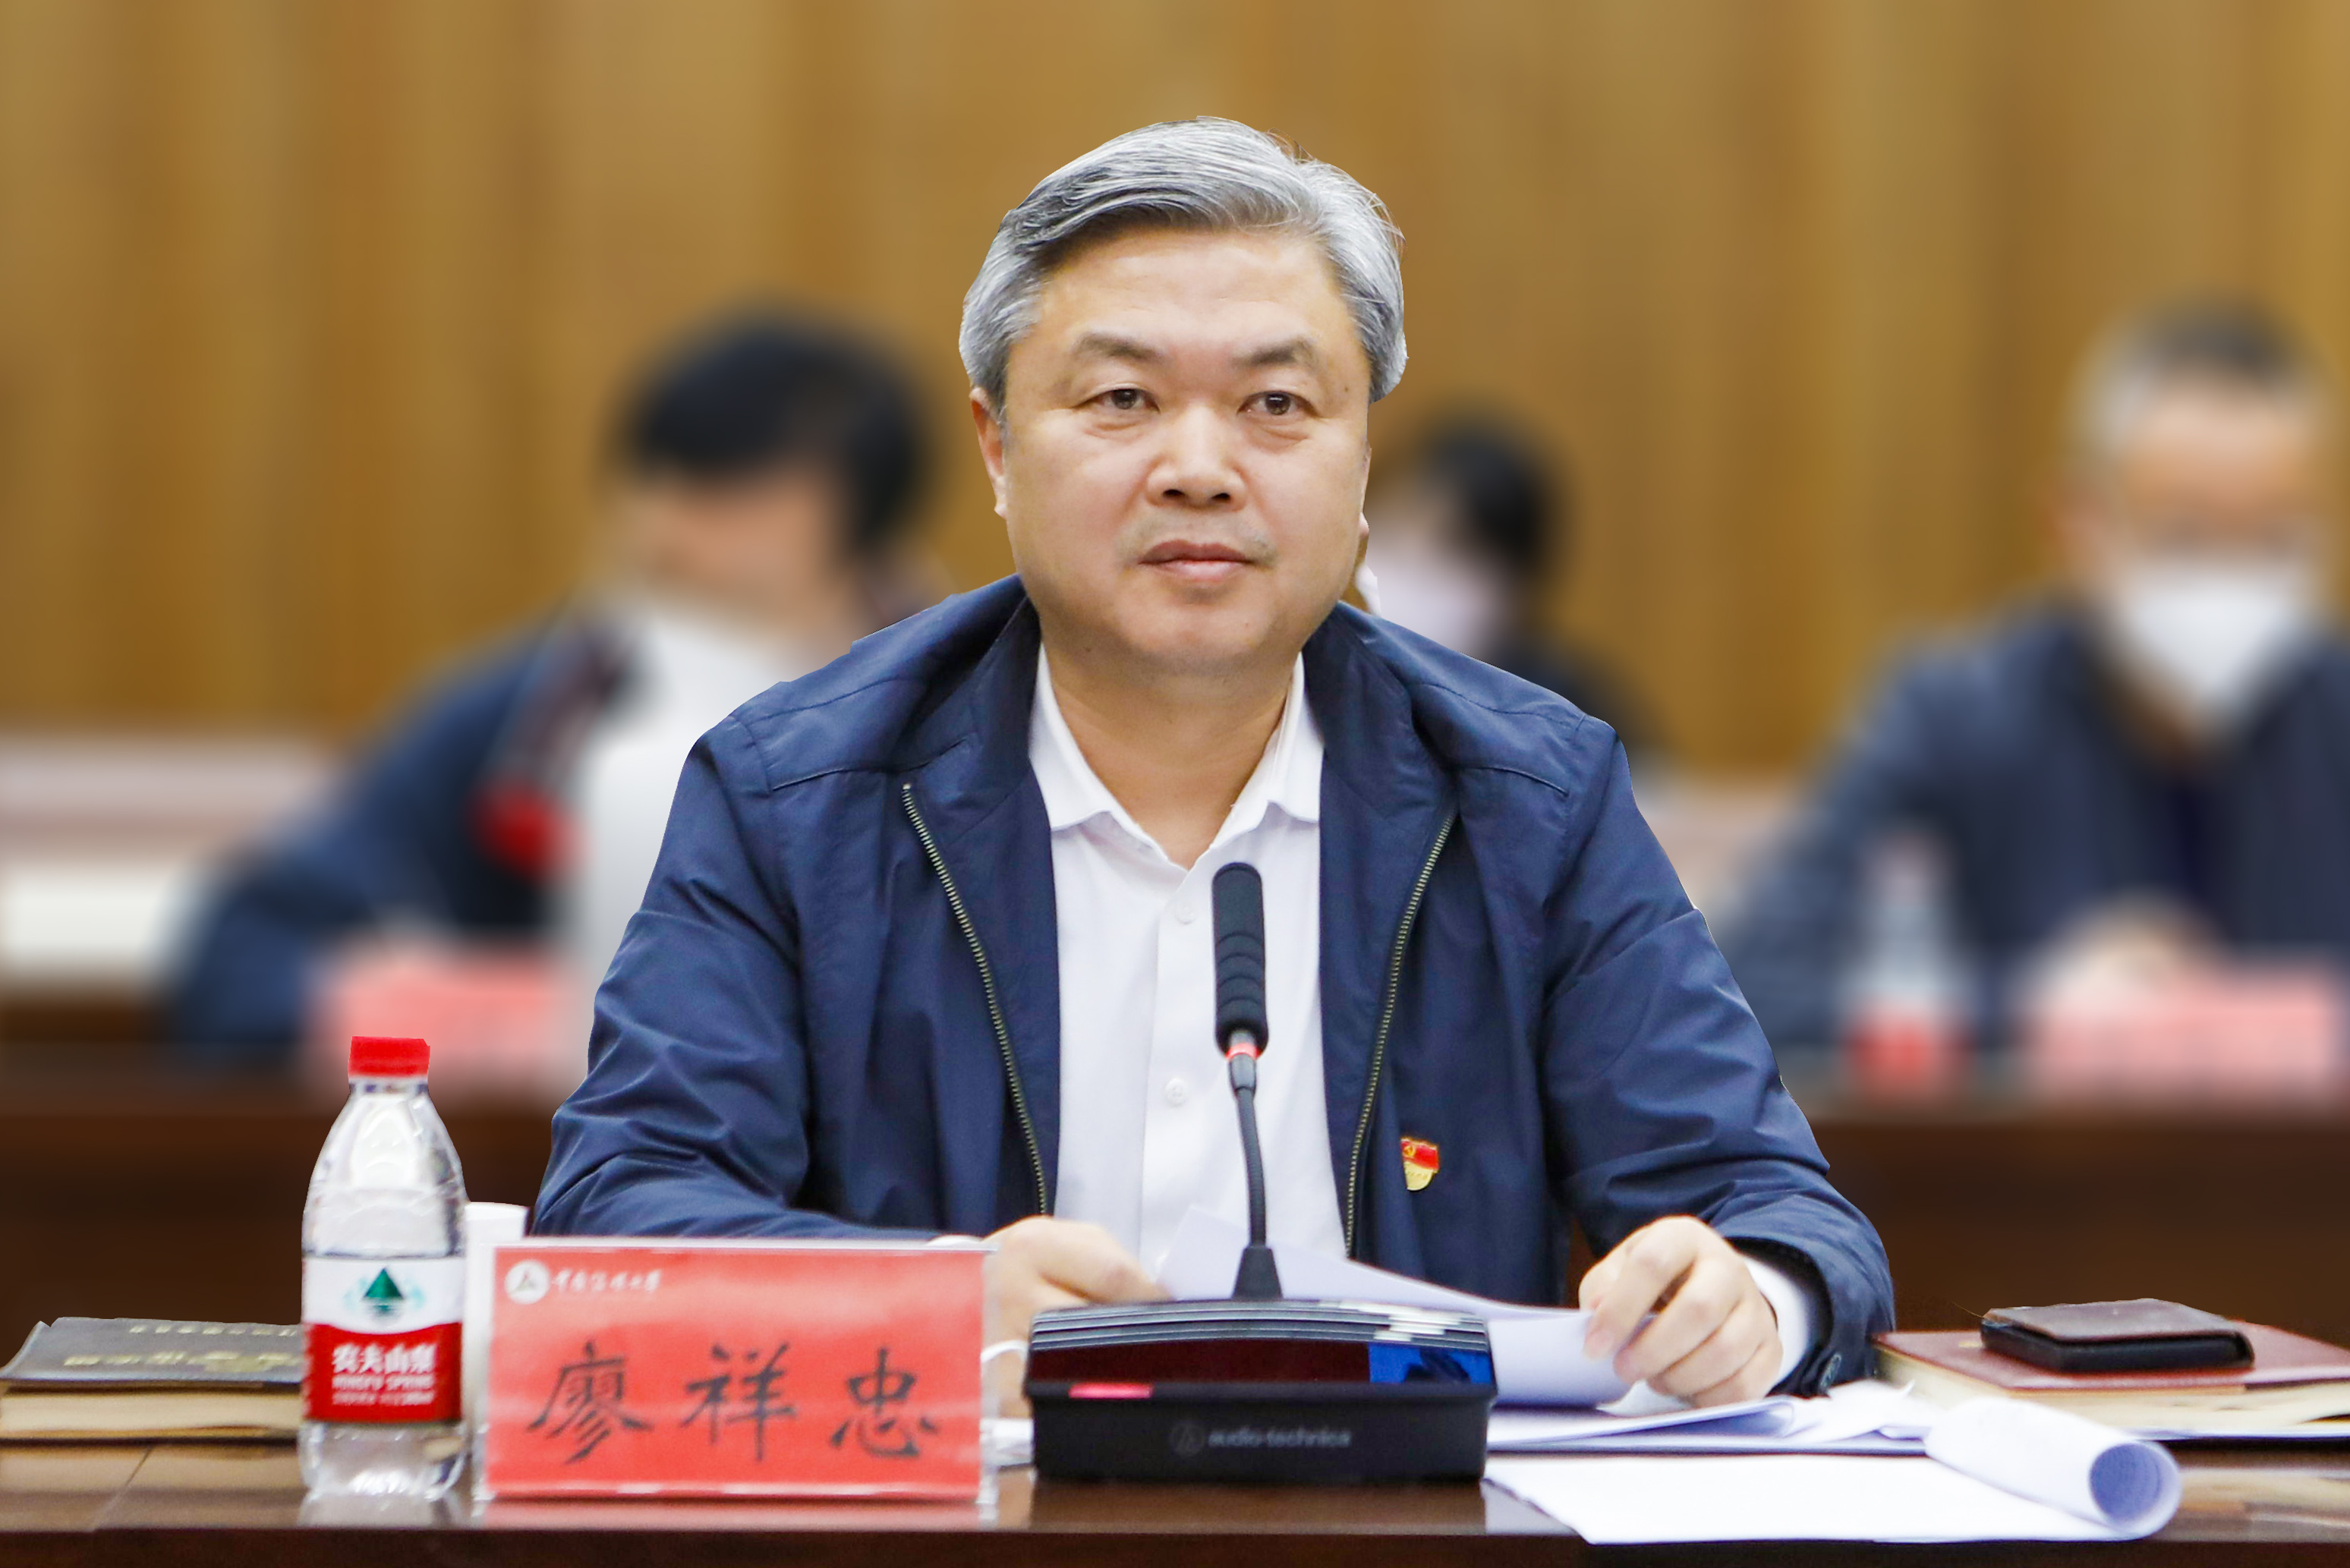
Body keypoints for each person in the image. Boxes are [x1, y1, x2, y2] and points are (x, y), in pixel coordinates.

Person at [537, 119, 1892, 1406]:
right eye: (1123, 398)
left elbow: (1777, 1213)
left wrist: (1750, 1302)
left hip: (1410, 1522)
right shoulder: (794, 797)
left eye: (1276, 403)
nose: (1200, 467)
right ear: (997, 447)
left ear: (1361, 459)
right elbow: (619, 1214)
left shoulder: (1530, 799)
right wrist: (927, 1304)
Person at [169, 313, 928, 1066]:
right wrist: (511, 1014)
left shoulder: (952, 709)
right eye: (660, 487)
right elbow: (244, 965)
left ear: (851, 523)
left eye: (734, 499)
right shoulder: (528, 721)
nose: (670, 529)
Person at [1721, 301, 2348, 1050]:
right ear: (2077, 525)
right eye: (2184, 534)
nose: (2230, 578)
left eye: (2275, 537)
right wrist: (2029, 1005)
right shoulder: (1953, 718)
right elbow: (1753, 989)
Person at [1362, 416, 1661, 761]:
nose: (1414, 558)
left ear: (1515, 588)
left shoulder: (1572, 721)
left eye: (1456, 546)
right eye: (1397, 524)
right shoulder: (1330, 675)